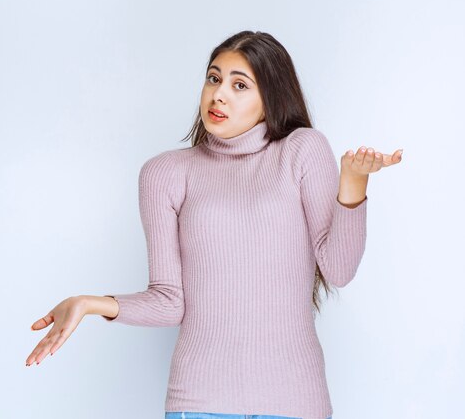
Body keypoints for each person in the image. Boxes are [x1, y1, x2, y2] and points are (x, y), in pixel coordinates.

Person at [25, 30, 403, 419]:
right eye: (214, 78)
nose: (219, 94)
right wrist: (89, 303)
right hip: (198, 403)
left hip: (295, 401)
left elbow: (338, 270)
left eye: (240, 85)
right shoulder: (166, 173)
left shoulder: (302, 150)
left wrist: (354, 185)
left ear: (270, 97)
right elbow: (169, 302)